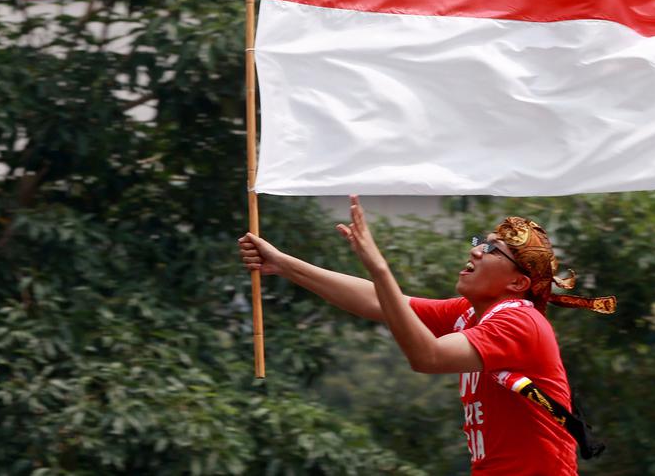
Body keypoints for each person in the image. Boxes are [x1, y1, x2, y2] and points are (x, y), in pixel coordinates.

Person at [238, 195, 615, 475]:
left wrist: (380, 268)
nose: (477, 252)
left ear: (518, 282)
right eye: (479, 242)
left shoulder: (518, 321)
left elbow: (427, 357)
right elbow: (380, 302)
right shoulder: (470, 313)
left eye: (492, 250)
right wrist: (282, 264)